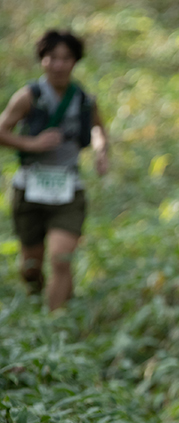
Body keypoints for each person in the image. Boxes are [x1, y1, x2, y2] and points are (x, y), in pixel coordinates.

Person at [0, 29, 109, 310]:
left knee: (61, 258)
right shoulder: (29, 97)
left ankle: (56, 321)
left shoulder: (84, 100)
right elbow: (2, 130)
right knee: (31, 266)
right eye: (52, 57)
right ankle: (36, 299)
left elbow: (98, 128)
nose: (59, 65)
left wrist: (101, 152)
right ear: (42, 60)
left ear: (75, 61)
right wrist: (31, 143)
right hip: (29, 188)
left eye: (66, 58)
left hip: (68, 190)